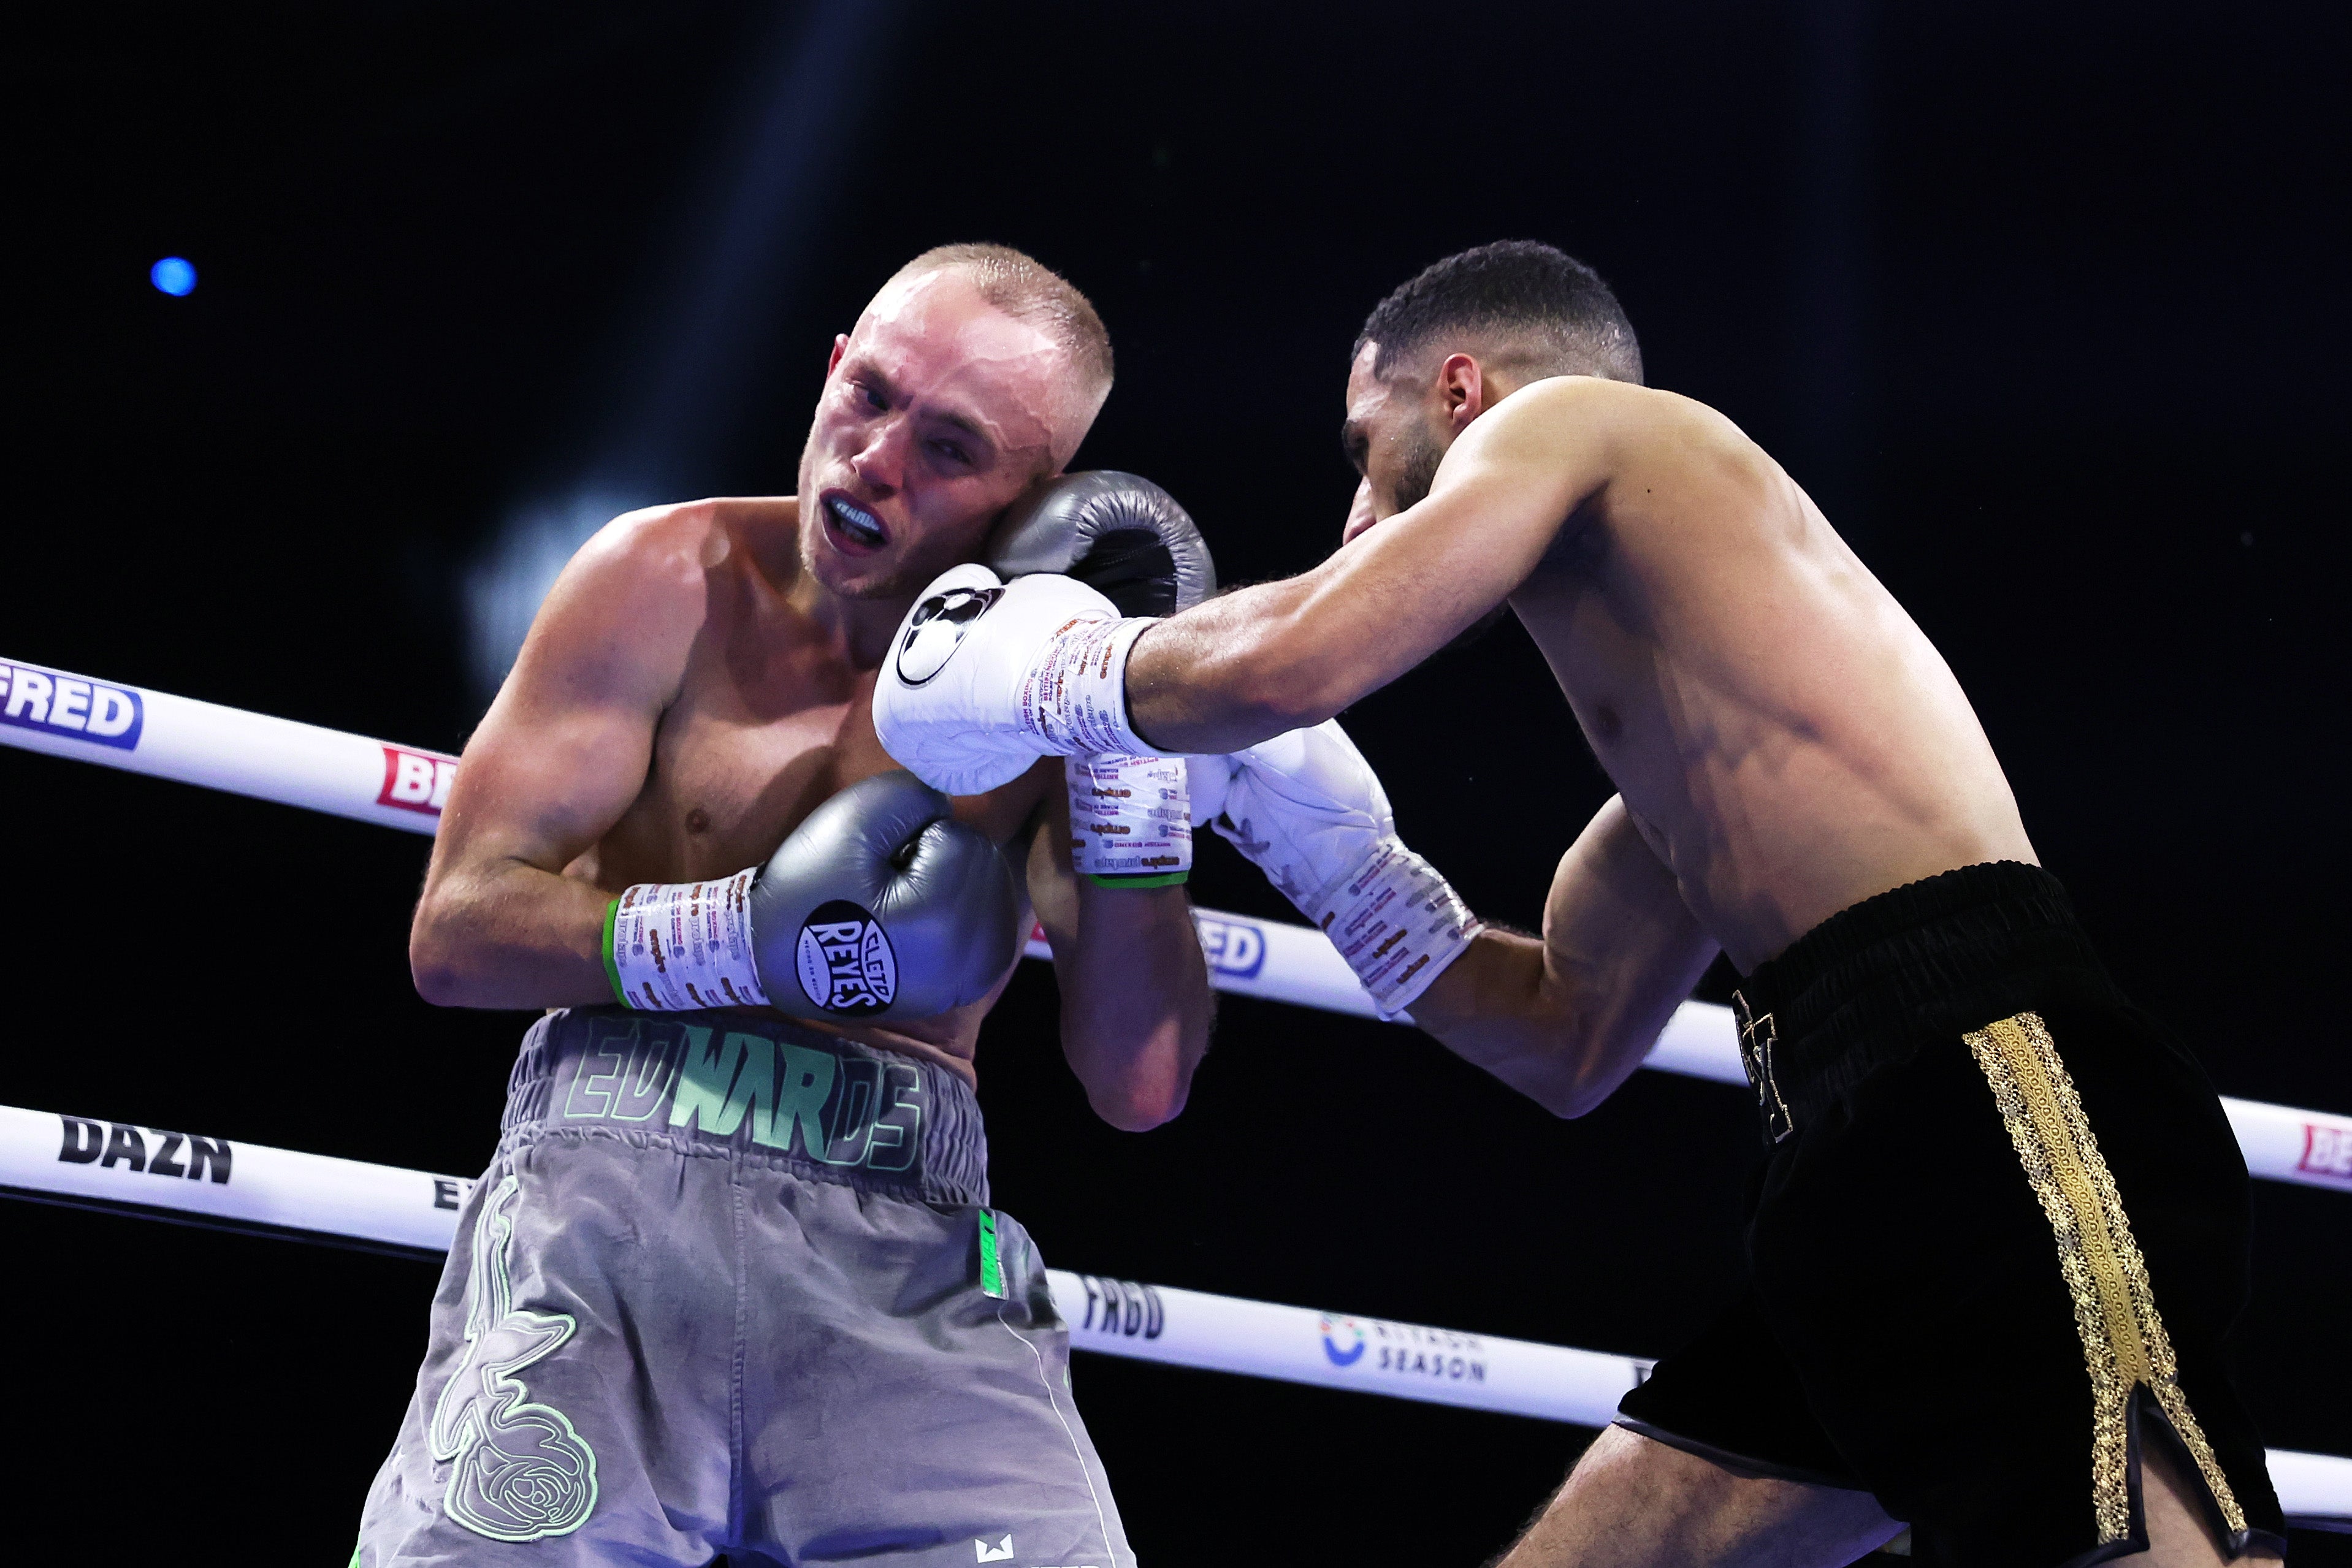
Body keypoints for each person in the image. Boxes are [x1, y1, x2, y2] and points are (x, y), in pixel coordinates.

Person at [868, 241, 2288, 1567]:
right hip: (1847, 1149)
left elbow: (1292, 660)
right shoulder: (1692, 761)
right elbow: (1563, 1036)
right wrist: (1331, 857)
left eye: (1366, 454)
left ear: (1462, 391)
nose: (1355, 514)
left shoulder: (1583, 424)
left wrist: (1064, 670)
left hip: (1994, 1087)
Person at [355, 243, 1214, 1568]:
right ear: (830, 369)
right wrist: (739, 935)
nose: (874, 458)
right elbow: (455, 934)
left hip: (907, 1250)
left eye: (948, 446)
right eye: (867, 395)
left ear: (1037, 502)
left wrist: (1130, 768)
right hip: (607, 1206)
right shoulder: (665, 577)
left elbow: (1142, 1078)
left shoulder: (1058, 698)